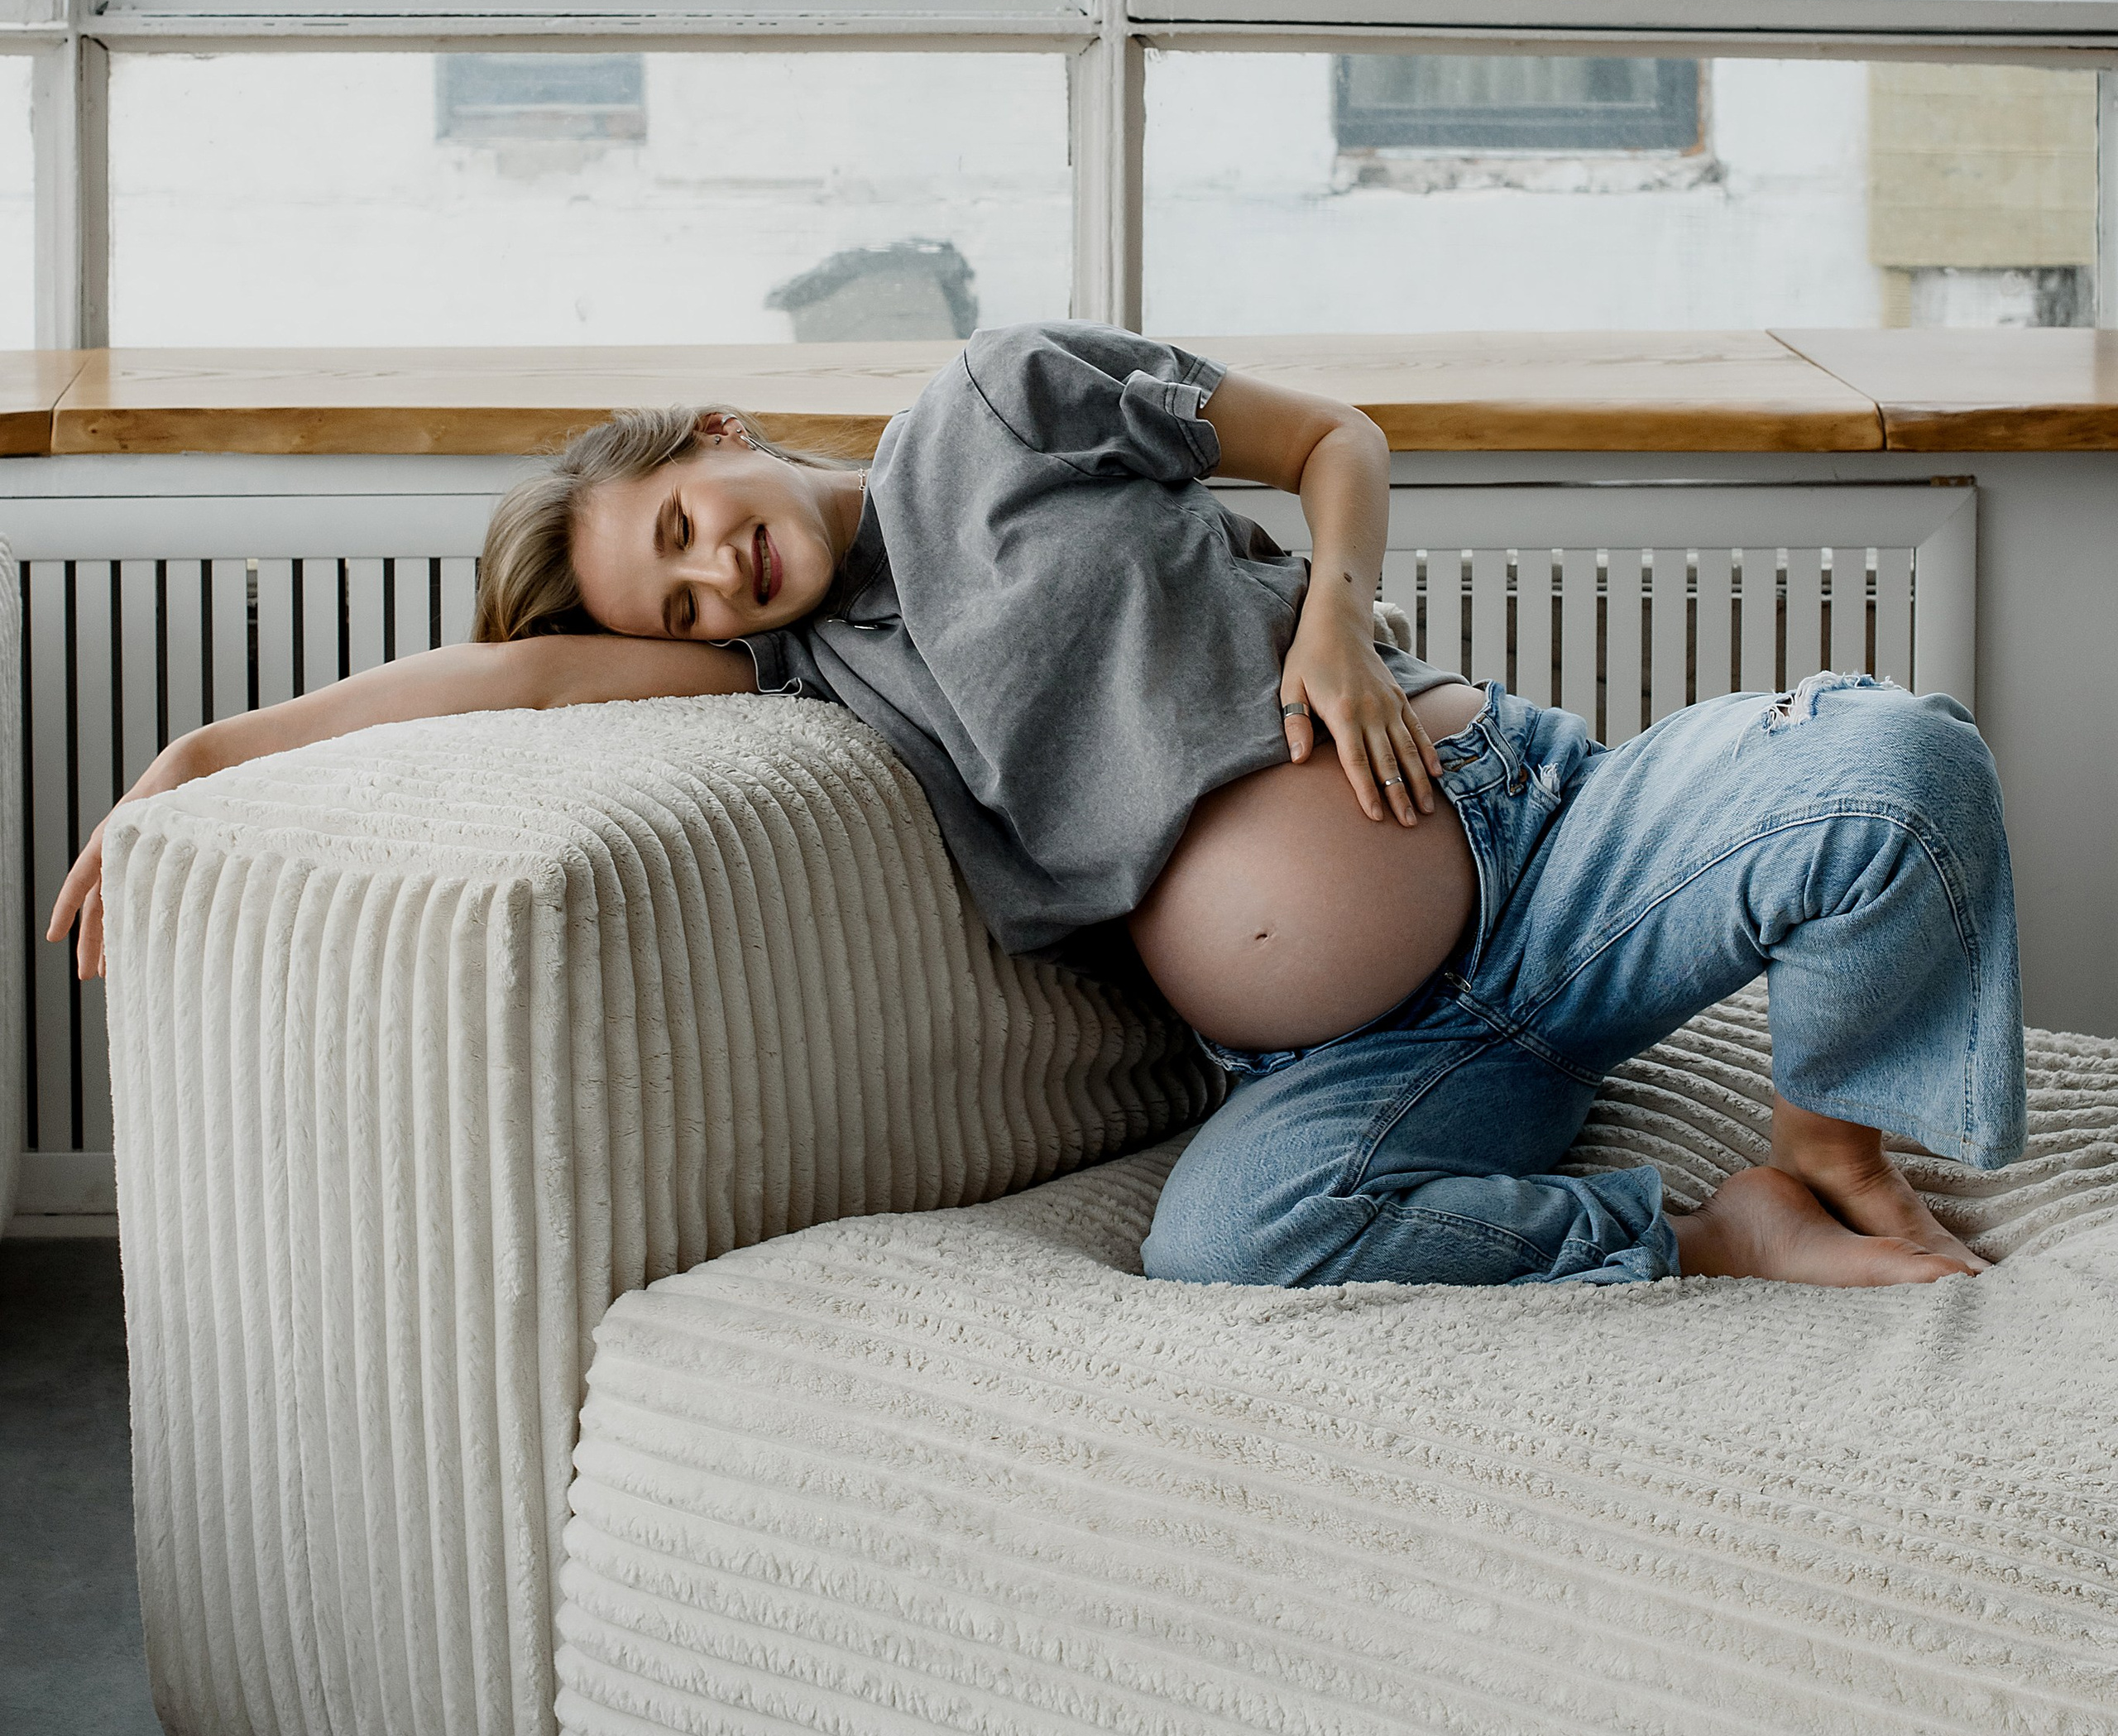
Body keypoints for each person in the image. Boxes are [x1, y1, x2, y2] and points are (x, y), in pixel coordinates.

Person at [49, 321, 2024, 1290]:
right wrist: (205, 758)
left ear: (717, 430)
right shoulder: (804, 667)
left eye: (684, 523)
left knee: (1897, 766)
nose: (714, 575)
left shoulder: (998, 400)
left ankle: (1831, 1139)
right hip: (1373, 1064)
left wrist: (1331, 623)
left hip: (1539, 851)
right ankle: (1701, 1235)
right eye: (674, 594)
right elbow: (526, 677)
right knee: (1234, 1256)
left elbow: (1330, 436)